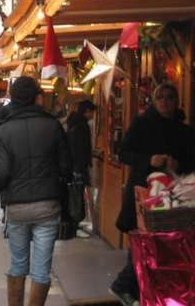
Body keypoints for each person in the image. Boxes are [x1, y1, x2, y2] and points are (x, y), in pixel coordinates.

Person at [110, 82, 195, 306]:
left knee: (165, 247)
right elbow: (123, 153)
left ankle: (151, 294)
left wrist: (178, 165)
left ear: (176, 101)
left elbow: (191, 163)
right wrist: (149, 160)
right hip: (143, 194)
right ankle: (128, 288)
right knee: (141, 242)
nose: (165, 102)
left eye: (169, 97)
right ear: (154, 101)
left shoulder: (185, 130)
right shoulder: (142, 124)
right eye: (160, 97)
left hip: (174, 199)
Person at [0, 76, 72, 306]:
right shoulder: (52, 125)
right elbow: (66, 166)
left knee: (18, 264)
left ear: (13, 98)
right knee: (41, 269)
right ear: (37, 97)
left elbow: (0, 172)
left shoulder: (4, 129)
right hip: (48, 204)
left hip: (17, 206)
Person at [67, 100, 96, 187]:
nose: (93, 115)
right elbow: (81, 146)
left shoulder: (73, 122)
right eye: (92, 112)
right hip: (80, 166)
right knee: (83, 190)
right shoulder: (82, 125)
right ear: (87, 111)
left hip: (73, 164)